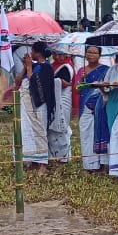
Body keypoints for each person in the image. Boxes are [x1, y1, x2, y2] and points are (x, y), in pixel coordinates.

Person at [18, 43, 57, 174]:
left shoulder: (47, 67)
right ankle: (33, 159)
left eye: (32, 51)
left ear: (37, 53)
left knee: (40, 131)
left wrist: (29, 67)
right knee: (29, 131)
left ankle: (43, 164)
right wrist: (25, 67)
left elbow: (36, 82)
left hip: (41, 104)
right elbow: (18, 82)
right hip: (28, 103)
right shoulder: (33, 66)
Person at [74, 46, 109, 172]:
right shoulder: (81, 71)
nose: (91, 55)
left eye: (95, 53)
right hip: (85, 107)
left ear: (100, 55)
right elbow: (76, 90)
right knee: (86, 134)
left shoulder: (106, 70)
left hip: (101, 106)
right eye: (89, 52)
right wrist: (82, 81)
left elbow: (108, 88)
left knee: (101, 132)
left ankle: (103, 164)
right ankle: (90, 165)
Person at [48, 58, 75, 163]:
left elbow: (64, 84)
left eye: (60, 54)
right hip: (53, 99)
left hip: (63, 99)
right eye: (55, 53)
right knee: (52, 130)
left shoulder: (66, 67)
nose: (57, 56)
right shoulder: (51, 65)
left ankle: (64, 156)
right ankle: (53, 154)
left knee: (62, 128)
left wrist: (51, 80)